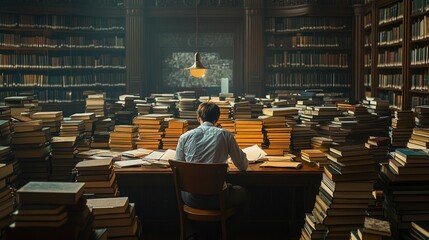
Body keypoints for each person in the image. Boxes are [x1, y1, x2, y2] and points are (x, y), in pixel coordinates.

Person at [174, 101, 249, 239]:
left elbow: (177, 166)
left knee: (175, 193)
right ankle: (226, 233)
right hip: (218, 198)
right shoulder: (225, 135)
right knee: (244, 193)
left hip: (191, 198)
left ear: (198, 118)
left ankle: (191, 235)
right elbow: (243, 165)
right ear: (217, 119)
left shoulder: (184, 137)